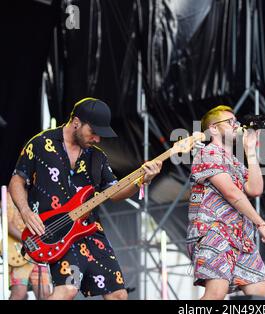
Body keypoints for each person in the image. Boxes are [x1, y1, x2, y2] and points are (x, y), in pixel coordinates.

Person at [8, 97, 162, 300]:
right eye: (94, 132)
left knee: (119, 295)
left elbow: (114, 192)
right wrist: (26, 213)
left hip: (89, 231)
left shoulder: (97, 157)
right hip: (56, 231)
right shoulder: (39, 144)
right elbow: (17, 181)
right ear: (76, 122)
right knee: (67, 290)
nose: (97, 139)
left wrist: (141, 180)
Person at [186, 105, 265, 300]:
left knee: (259, 294)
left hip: (241, 237)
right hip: (214, 231)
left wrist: (250, 151)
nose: (236, 125)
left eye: (236, 122)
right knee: (216, 293)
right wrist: (261, 223)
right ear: (214, 129)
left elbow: (255, 189)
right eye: (230, 122)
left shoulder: (234, 161)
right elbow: (232, 193)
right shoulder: (208, 153)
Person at [5, 192, 51, 300]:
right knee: (19, 293)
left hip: (38, 252)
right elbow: (7, 224)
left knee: (44, 293)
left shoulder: (38, 193)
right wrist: (27, 240)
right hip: (19, 251)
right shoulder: (8, 195)